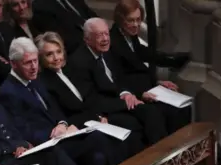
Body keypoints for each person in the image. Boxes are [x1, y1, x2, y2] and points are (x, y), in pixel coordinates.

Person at [0, 37, 118, 165]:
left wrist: (63, 123)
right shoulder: (8, 91)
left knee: (97, 153)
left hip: (61, 137)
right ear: (13, 64)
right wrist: (53, 133)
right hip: (47, 146)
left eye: (35, 61)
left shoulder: (34, 79)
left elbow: (54, 108)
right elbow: (23, 129)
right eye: (27, 63)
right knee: (97, 137)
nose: (34, 67)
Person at [36, 31, 144, 158]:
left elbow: (92, 97)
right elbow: (64, 115)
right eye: (49, 54)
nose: (56, 58)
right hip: (80, 126)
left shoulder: (72, 68)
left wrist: (100, 116)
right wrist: (96, 118)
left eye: (58, 52)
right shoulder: (44, 82)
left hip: (98, 114)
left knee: (133, 125)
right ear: (40, 57)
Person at [65, 17, 168, 147]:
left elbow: (121, 78)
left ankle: (164, 155)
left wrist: (126, 93)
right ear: (87, 39)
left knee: (152, 112)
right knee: (134, 124)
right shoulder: (78, 62)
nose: (105, 39)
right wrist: (124, 102)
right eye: (99, 35)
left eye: (106, 33)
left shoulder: (108, 51)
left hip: (120, 101)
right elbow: (93, 100)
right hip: (104, 111)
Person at [109, 0, 191, 135]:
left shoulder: (131, 35)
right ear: (121, 20)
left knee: (182, 107)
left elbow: (144, 58)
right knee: (156, 114)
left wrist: (158, 83)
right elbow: (119, 78)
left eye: (138, 20)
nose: (136, 25)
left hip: (147, 88)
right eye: (131, 20)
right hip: (132, 94)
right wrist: (142, 93)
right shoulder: (114, 42)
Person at [32, 0, 96, 54]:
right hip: (78, 50)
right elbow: (61, 38)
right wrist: (91, 41)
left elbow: (92, 16)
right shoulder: (40, 6)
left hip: (94, 39)